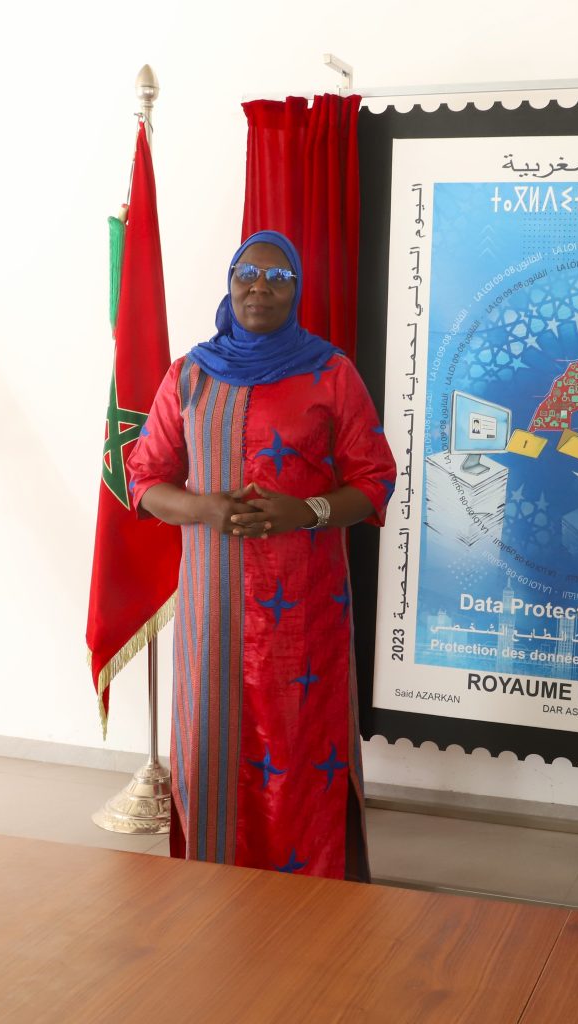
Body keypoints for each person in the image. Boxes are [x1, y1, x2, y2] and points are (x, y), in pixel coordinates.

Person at [127, 230, 396, 880]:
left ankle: (310, 887)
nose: (259, 287)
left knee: (299, 743)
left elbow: (374, 480)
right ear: (230, 283)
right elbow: (144, 480)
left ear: (296, 290)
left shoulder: (330, 373)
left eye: (278, 277)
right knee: (212, 740)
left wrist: (306, 511)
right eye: (247, 273)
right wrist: (205, 508)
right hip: (212, 609)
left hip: (305, 609)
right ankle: (214, 877)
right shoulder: (189, 374)